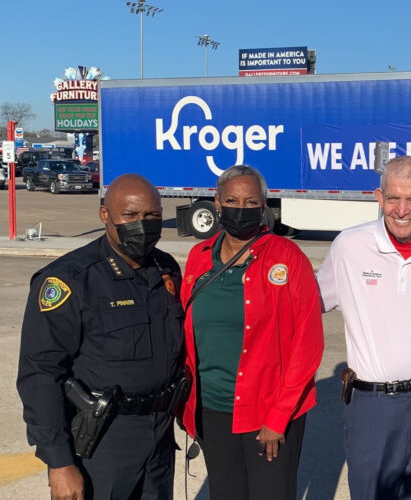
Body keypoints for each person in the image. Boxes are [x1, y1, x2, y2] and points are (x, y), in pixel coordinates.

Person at [17, 174, 185, 499]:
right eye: (130, 215)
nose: (142, 224)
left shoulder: (165, 268)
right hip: (103, 439)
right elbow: (40, 373)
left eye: (152, 215)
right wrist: (59, 462)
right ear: (105, 215)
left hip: (159, 434)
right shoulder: (71, 280)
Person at [317, 155, 411, 499]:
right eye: (393, 198)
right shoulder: (349, 246)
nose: (401, 210)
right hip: (373, 405)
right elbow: (306, 303)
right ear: (379, 197)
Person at [178, 165, 323, 500]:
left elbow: (308, 344)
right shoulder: (199, 257)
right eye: (231, 200)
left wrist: (278, 416)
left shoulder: (288, 257)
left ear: (263, 206)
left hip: (268, 412)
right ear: (217, 202)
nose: (240, 209)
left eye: (250, 202)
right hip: (212, 410)